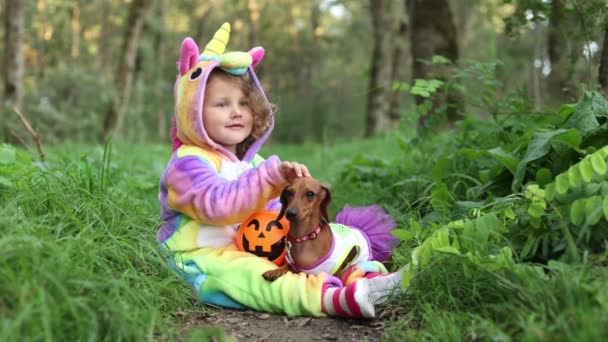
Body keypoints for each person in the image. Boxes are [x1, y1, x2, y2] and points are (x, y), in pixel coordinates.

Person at [157, 22, 402, 319]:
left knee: (306, 253)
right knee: (257, 276)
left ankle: (362, 275)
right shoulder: (188, 162)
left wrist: (295, 194)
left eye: (244, 103)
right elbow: (218, 205)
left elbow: (274, 209)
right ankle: (332, 298)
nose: (236, 111)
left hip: (247, 247)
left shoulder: (250, 162)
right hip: (200, 258)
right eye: (221, 104)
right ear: (191, 112)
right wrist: (269, 179)